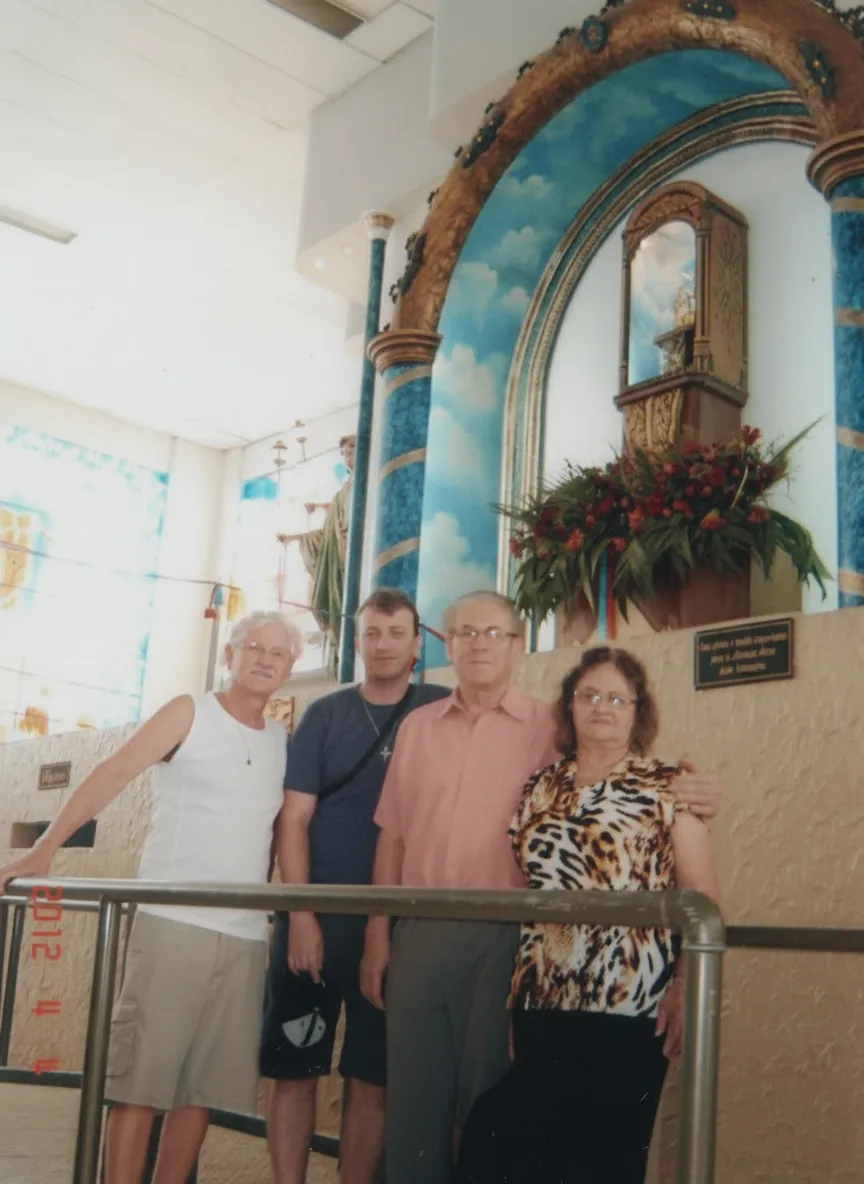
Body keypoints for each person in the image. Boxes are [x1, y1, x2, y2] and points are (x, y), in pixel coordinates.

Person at [359, 591, 724, 1184]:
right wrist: (379, 934)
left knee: (517, 1122)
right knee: (426, 1112)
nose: (479, 643)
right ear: (448, 644)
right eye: (466, 632)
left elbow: (695, 883)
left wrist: (701, 792)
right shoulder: (440, 738)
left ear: (516, 646)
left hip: (571, 972)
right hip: (519, 976)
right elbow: (393, 836)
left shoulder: (560, 736)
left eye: (493, 633)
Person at [0, 611, 303, 1184]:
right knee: (141, 1083)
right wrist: (44, 849)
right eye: (254, 647)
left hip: (243, 936)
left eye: (278, 652)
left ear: (290, 667)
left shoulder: (281, 741)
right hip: (173, 924)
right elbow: (114, 772)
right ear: (230, 655)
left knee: (201, 1091)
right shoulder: (189, 712)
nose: (265, 659)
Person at [453, 646, 721, 1184]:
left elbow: (703, 900)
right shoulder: (540, 786)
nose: (603, 707)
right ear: (570, 706)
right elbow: (531, 886)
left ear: (638, 712)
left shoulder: (668, 785)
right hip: (543, 994)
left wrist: (685, 984)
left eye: (618, 698)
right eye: (590, 695)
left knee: (606, 1156)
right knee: (508, 1136)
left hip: (631, 1000)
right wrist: (519, 997)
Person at [260, 588, 450, 1184]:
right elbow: (294, 819)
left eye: (396, 633)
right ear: (357, 642)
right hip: (315, 923)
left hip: (395, 931)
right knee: (294, 1071)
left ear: (417, 644)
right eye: (372, 633)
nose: (383, 644)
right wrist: (301, 916)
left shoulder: (441, 710)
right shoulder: (324, 715)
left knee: (373, 1078)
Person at [278, 434, 356, 657]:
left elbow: (347, 519)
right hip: (339, 551)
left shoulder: (362, 485)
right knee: (329, 603)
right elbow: (330, 532)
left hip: (351, 553)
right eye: (343, 454)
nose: (346, 458)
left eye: (351, 451)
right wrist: (296, 538)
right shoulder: (344, 489)